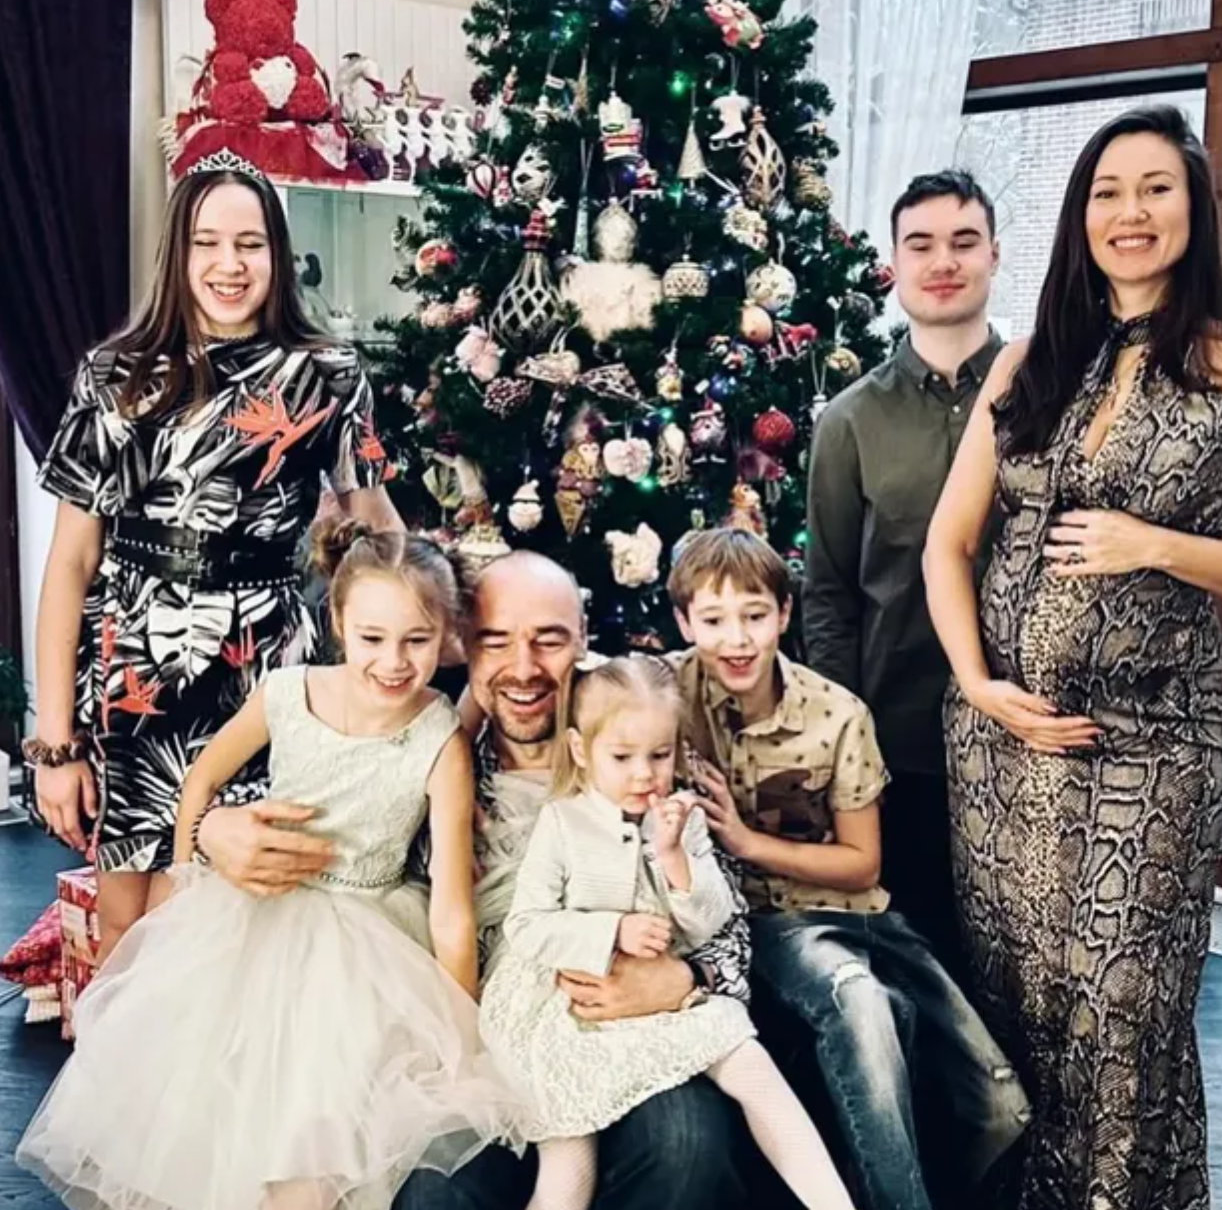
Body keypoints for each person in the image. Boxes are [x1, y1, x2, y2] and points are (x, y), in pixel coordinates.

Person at [923, 104, 1222, 1210]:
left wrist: (1157, 545)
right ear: (1079, 218)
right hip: (1002, 752)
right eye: (1106, 192)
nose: (1129, 212)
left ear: (1193, 209)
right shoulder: (1028, 361)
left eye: (1154, 188)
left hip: (1152, 747)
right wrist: (980, 685)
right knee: (1018, 1006)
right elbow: (948, 544)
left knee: (1123, 1014)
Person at [198, 549, 758, 1210]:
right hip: (476, 1040)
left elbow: (726, 911)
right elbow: (313, 799)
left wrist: (689, 977)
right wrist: (213, 828)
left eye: (548, 640)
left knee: (688, 1146)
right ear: (463, 643)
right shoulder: (431, 744)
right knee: (431, 1192)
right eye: (496, 641)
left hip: (626, 1025)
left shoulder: (638, 743)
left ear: (583, 638)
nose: (523, 668)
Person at [17, 522, 522, 1210]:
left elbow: (452, 913)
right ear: (338, 623)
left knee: (321, 1137)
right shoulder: (287, 693)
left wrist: (461, 1041)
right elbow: (201, 779)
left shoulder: (439, 738)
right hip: (255, 922)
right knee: (216, 1112)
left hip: (369, 949)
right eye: (372, 638)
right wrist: (189, 874)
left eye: (417, 640)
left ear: (447, 635)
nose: (393, 662)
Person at [26, 153, 401, 959]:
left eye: (250, 244)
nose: (229, 265)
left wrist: (435, 622)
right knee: (126, 928)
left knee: (221, 922)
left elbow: (379, 531)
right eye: (207, 243)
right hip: (135, 666)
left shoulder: (327, 375)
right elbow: (69, 566)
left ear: (277, 254)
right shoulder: (116, 375)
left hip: (263, 672)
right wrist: (54, 747)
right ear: (179, 252)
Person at [668, 528, 1030, 1210]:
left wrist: (746, 841)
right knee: (860, 1003)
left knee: (972, 1078)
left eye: (754, 615)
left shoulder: (836, 715)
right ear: (684, 623)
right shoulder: (662, 692)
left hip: (835, 915)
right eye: (712, 621)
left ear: (784, 613)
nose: (735, 639)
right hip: (733, 921)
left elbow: (862, 866)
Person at [481, 656, 853, 1210]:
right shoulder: (562, 822)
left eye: (659, 755)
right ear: (581, 750)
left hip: (662, 1002)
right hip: (567, 1012)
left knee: (755, 1071)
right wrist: (612, 930)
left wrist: (674, 856)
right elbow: (526, 925)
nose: (644, 774)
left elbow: (710, 921)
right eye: (622, 757)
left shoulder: (683, 818)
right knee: (569, 1169)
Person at [804, 168, 1001, 957]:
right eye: (920, 245)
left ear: (994, 255)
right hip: (900, 744)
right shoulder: (848, 421)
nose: (942, 261)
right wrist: (841, 749)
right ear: (893, 264)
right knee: (919, 966)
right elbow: (828, 594)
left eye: (963, 241)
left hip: (1031, 734)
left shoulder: (1049, 397)